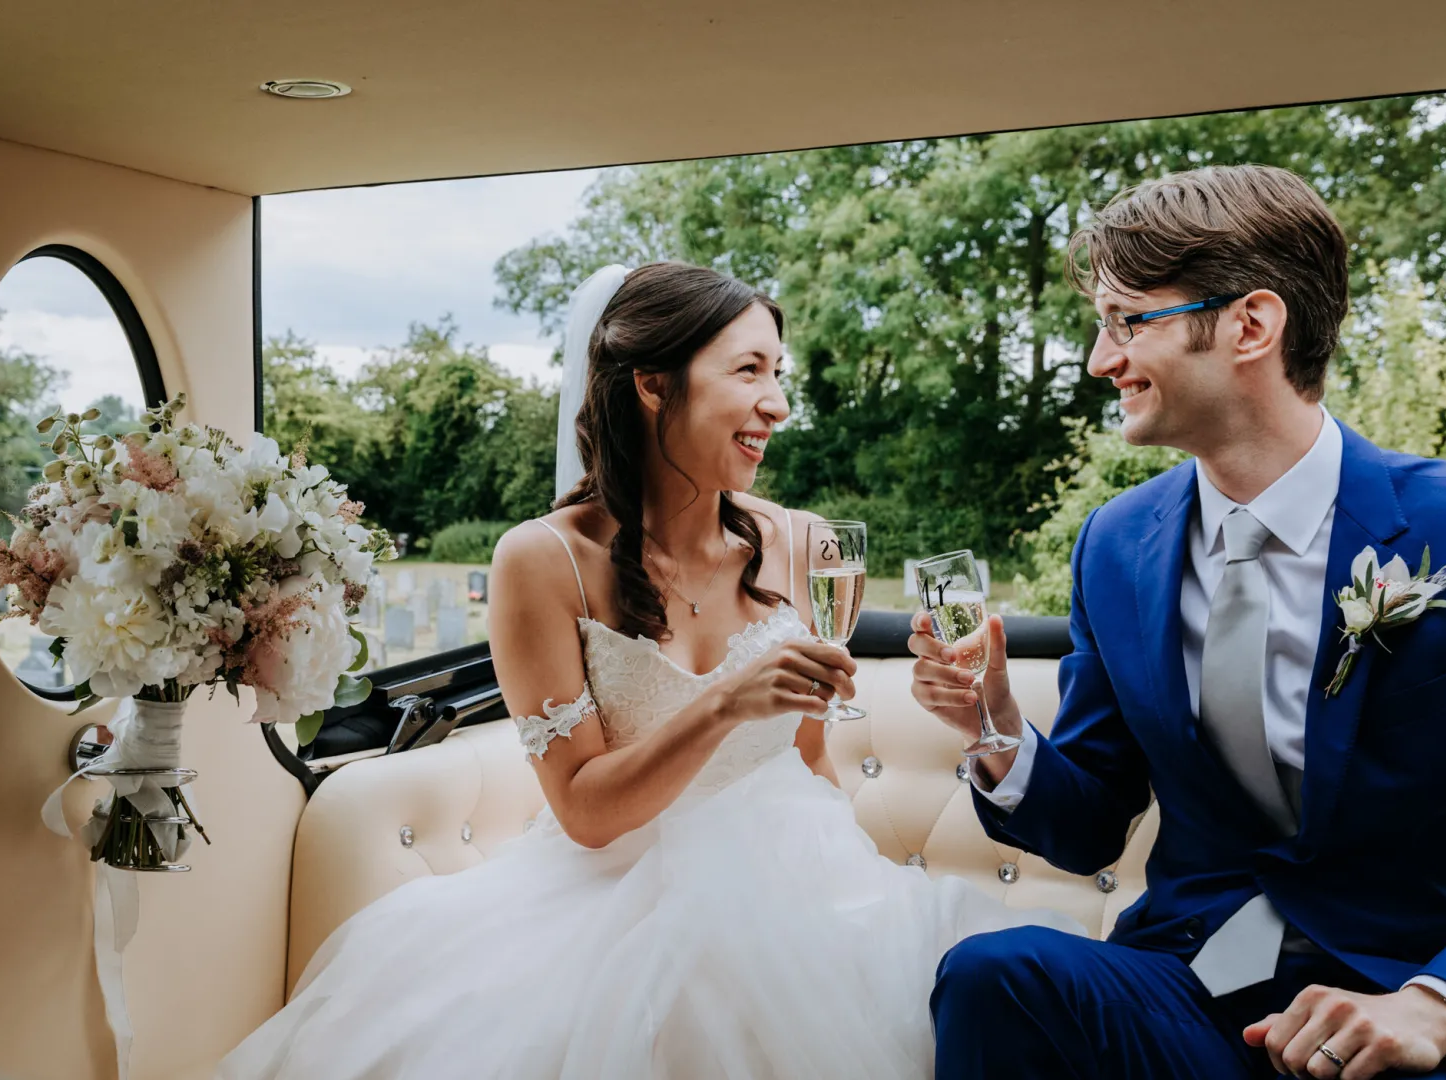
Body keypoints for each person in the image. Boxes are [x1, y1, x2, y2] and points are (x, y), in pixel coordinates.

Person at [217, 261, 1074, 1080]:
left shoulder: (807, 542)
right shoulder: (542, 559)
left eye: (780, 375)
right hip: (609, 896)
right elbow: (587, 812)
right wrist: (722, 707)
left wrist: (847, 898)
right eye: (748, 371)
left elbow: (813, 759)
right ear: (653, 383)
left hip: (810, 880)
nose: (776, 404)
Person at [911, 164, 1446, 1080]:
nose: (1101, 361)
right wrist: (997, 728)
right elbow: (1092, 822)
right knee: (995, 976)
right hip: (1197, 986)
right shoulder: (1115, 543)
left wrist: (1440, 1006)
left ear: (1251, 326)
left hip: (1412, 998)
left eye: (1126, 322)